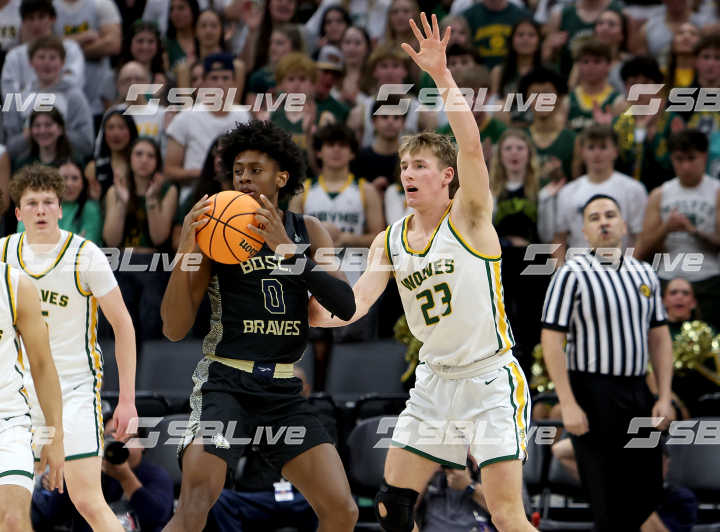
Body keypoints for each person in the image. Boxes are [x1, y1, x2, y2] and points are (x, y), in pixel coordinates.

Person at [310, 14, 535, 532]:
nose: (409, 174)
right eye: (405, 167)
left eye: (421, 167)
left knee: (505, 515)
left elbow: (473, 145)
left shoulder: (470, 218)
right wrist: (304, 315)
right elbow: (357, 302)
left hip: (487, 376)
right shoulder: (388, 238)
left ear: (447, 177)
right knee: (392, 507)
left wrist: (441, 75)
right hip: (434, 381)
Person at [160, 119, 359, 531]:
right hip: (226, 383)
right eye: (238, 171)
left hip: (282, 390)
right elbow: (174, 328)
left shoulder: (309, 231)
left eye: (256, 169)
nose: (245, 178)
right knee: (197, 500)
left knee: (343, 510)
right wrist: (185, 249)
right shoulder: (212, 236)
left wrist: (287, 253)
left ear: (281, 176)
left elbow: (344, 305)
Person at [3, 164, 138, 532]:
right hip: (16, 395)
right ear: (18, 212)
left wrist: (127, 400)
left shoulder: (85, 254)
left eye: (49, 202)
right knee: (11, 510)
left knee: (87, 501)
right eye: (32, 203)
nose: (41, 210)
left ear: (61, 209)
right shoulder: (3, 255)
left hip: (74, 390)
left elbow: (123, 325)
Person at [540, 193, 674, 531]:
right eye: (595, 217)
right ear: (584, 230)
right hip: (592, 392)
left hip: (637, 391)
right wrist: (567, 402)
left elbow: (659, 337)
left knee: (648, 490)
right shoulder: (570, 274)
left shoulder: (643, 273)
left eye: (610, 215)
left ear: (624, 224)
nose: (603, 221)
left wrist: (663, 396)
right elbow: (551, 338)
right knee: (608, 498)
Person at [0, 194, 64, 531]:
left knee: (12, 520)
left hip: (7, 421)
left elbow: (41, 365)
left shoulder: (15, 285)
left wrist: (55, 438)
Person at [635, 129, 720, 331]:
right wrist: (665, 228)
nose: (686, 166)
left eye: (692, 159)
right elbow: (641, 250)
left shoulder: (716, 192)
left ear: (705, 156)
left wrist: (694, 231)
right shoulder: (660, 195)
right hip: (666, 277)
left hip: (707, 278)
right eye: (679, 160)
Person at [31, 418, 175, 532]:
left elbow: (158, 517)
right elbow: (54, 516)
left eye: (128, 437)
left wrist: (126, 479)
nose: (119, 443)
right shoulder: (87, 474)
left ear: (143, 444)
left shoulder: (156, 476)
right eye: (111, 437)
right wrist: (71, 477)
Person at [552, 124, 647, 264]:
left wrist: (627, 269)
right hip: (580, 271)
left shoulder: (634, 190)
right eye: (591, 147)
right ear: (582, 152)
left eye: (603, 147)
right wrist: (561, 270)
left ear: (615, 151)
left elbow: (641, 238)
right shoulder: (567, 192)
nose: (597, 153)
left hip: (620, 270)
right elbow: (559, 239)